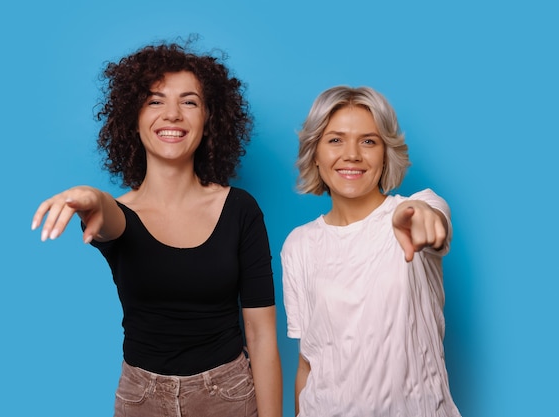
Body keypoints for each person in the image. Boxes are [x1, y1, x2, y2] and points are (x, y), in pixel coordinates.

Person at [31, 40, 282, 417]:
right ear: (133, 117)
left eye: (190, 101)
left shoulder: (240, 209)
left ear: (209, 117)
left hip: (227, 397)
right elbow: (108, 216)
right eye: (155, 100)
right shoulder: (118, 213)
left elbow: (261, 336)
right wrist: (90, 196)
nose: (173, 114)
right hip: (140, 400)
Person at [281, 86, 461, 417]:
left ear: (385, 153)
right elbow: (308, 363)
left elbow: (433, 220)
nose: (352, 154)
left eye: (368, 141)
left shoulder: (413, 211)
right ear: (315, 153)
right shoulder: (298, 244)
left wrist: (426, 221)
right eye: (335, 140)